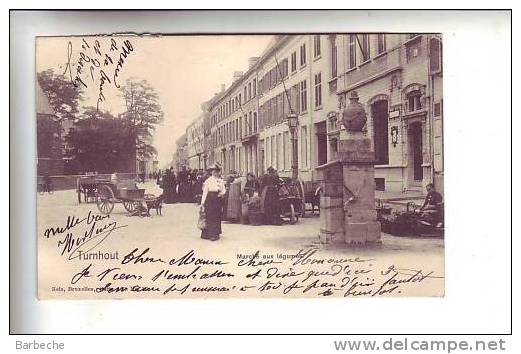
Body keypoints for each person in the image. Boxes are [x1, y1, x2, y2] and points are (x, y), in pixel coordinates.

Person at [200, 164, 226, 241]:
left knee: (217, 216)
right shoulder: (208, 181)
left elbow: (223, 190)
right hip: (210, 199)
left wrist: (220, 194)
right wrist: (202, 203)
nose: (215, 173)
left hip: (217, 199)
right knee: (210, 216)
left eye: (217, 172)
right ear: (212, 172)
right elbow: (205, 192)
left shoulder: (220, 181)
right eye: (214, 172)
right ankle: (211, 234)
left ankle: (216, 233)